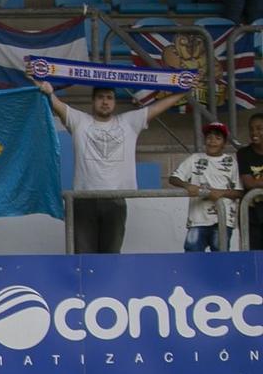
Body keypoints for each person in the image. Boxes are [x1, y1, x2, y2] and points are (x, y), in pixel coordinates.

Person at [32, 72, 188, 254]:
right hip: (83, 200)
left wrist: (184, 90)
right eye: (100, 97)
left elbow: (158, 107)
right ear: (93, 101)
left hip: (116, 200)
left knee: (111, 256)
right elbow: (55, 103)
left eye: (109, 98)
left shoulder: (129, 122)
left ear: (114, 102)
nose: (105, 102)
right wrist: (45, 87)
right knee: (84, 257)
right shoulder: (79, 121)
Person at [170, 120, 242, 252]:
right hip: (198, 220)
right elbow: (173, 178)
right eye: (209, 137)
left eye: (218, 138)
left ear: (224, 143)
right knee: (193, 258)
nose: (212, 141)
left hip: (223, 220)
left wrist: (220, 193)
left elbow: (239, 191)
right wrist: (187, 185)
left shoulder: (231, 162)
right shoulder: (194, 158)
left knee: (220, 259)